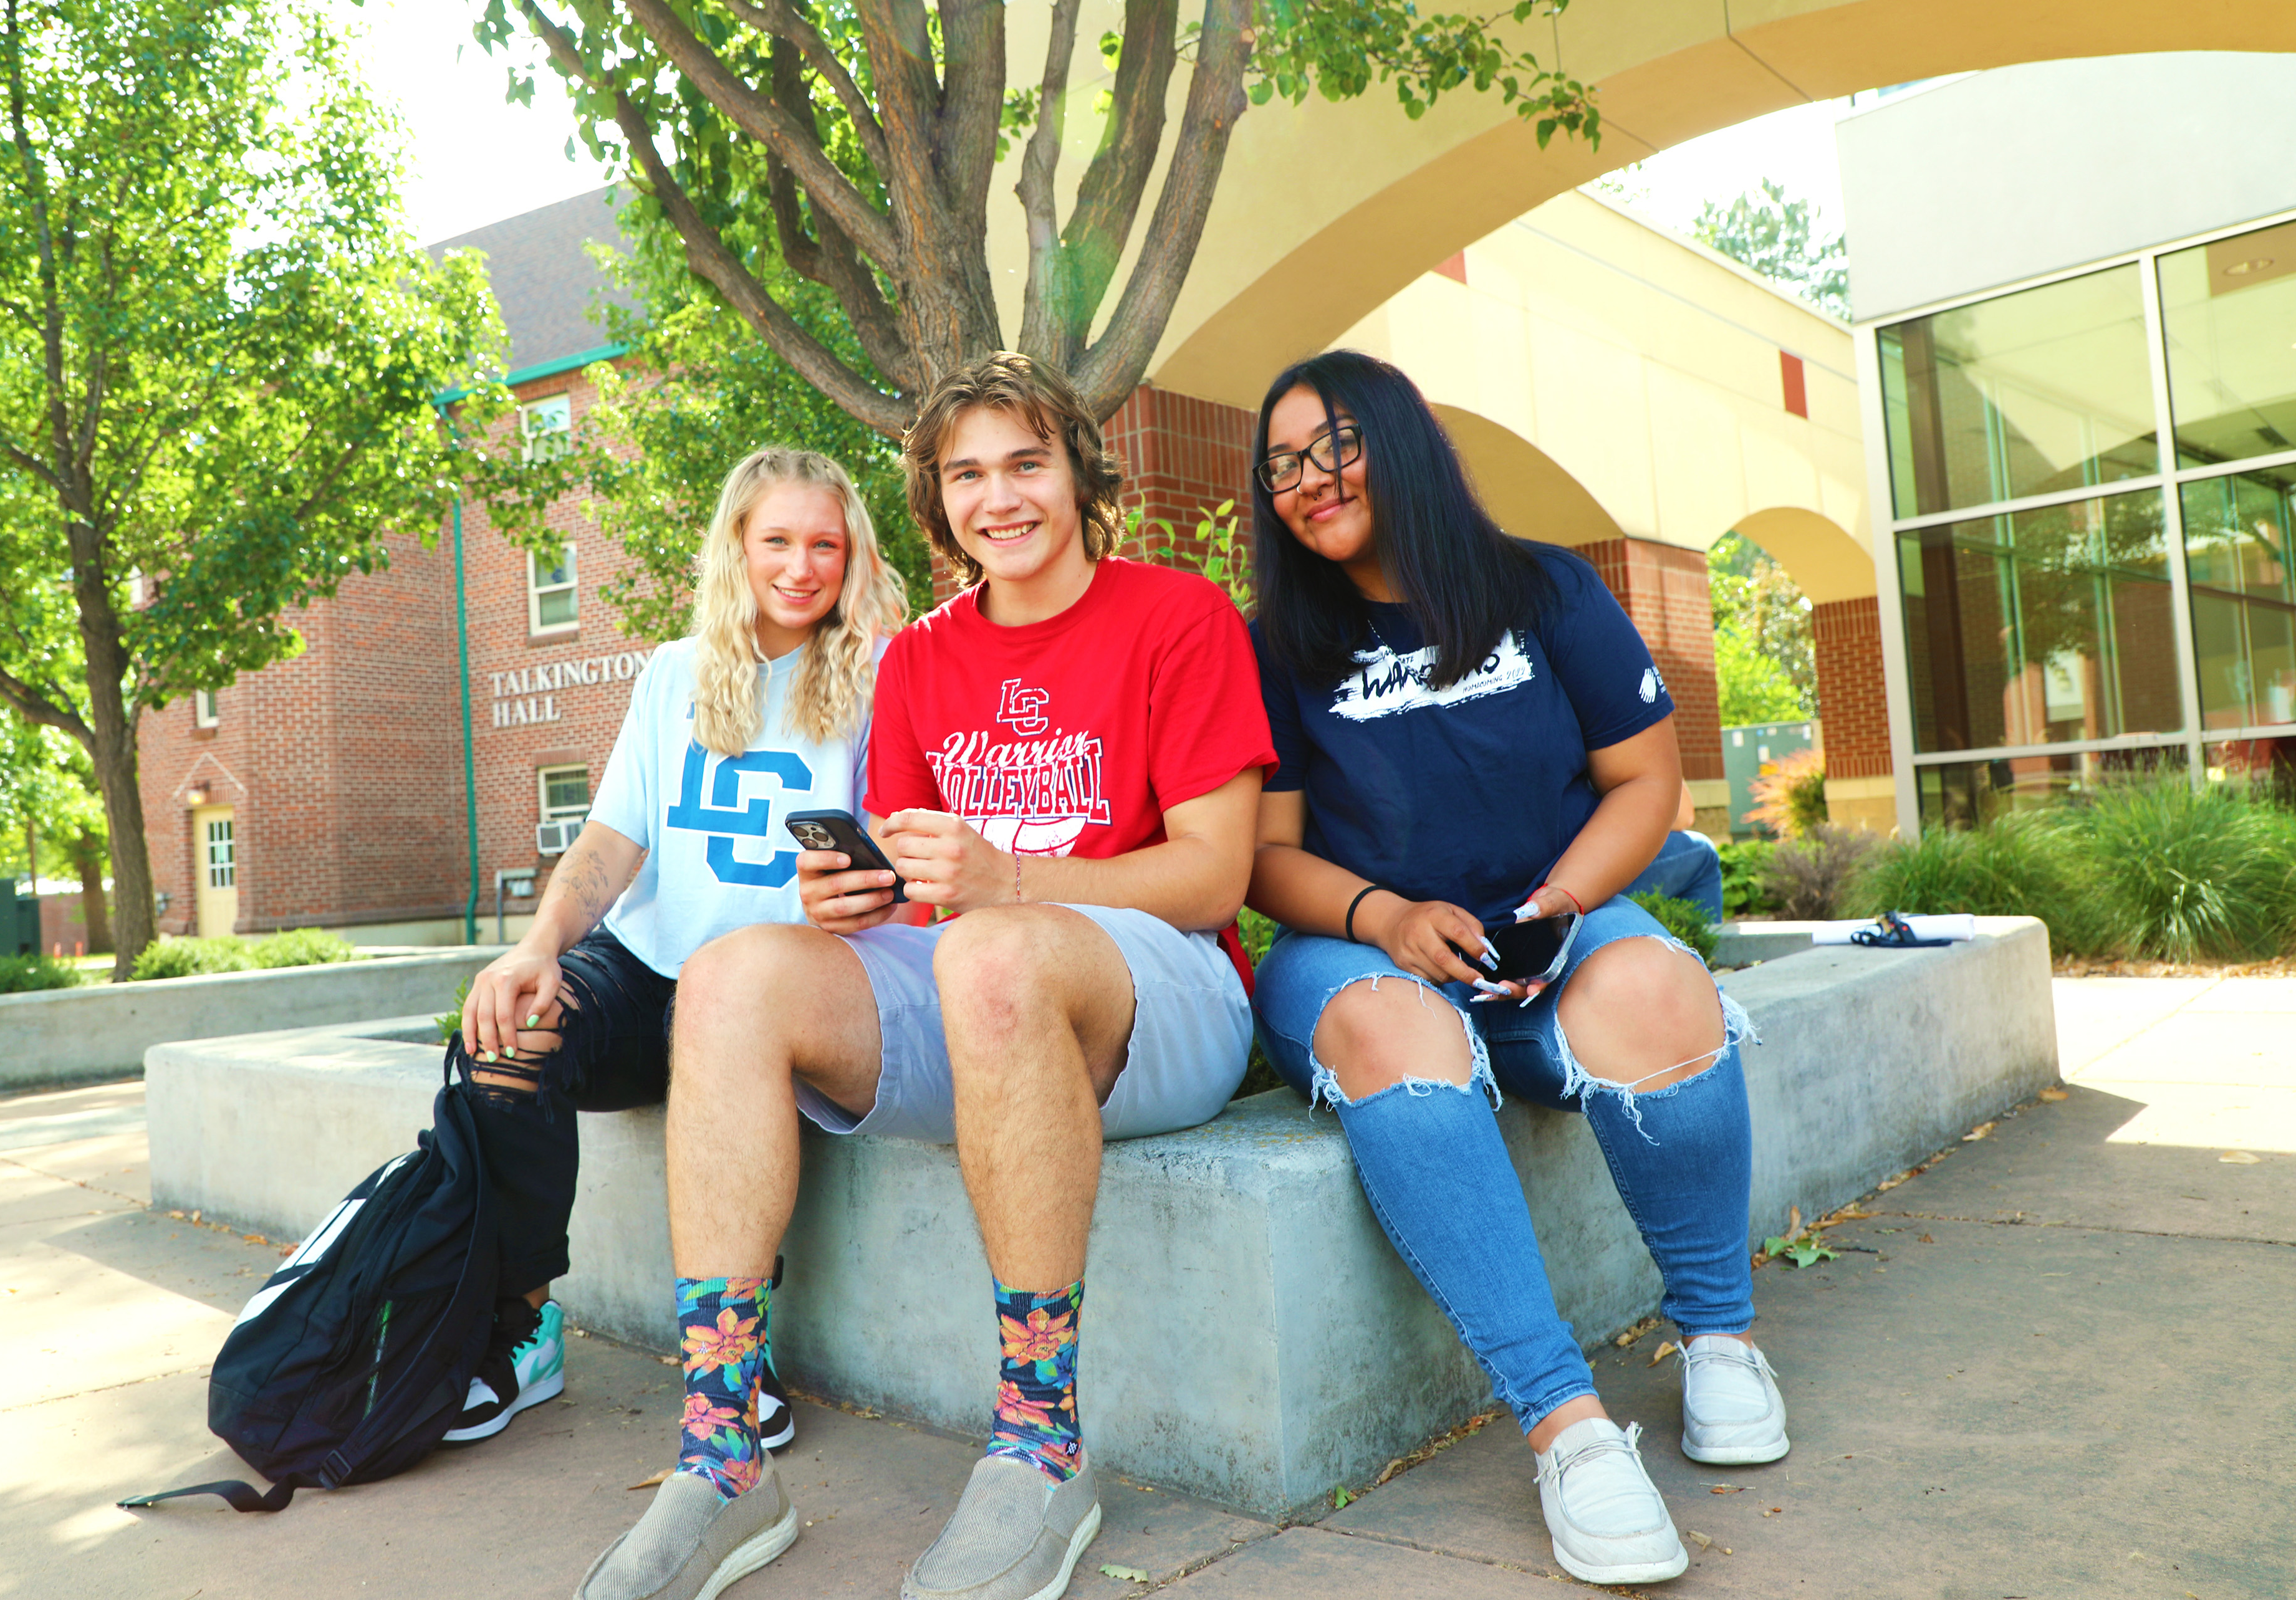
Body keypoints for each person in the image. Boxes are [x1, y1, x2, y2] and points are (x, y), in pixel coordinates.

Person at [575, 353, 1274, 1600]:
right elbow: (916, 890)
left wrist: (1009, 879)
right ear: (934, 500)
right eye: (965, 474)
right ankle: (725, 1452)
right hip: (983, 986)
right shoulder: (919, 660)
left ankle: (1039, 1441)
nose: (997, 496)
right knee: (733, 975)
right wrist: (845, 897)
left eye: (1025, 463)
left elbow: (1215, 877)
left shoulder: (1176, 618)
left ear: (1077, 471)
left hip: (1158, 995)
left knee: (993, 945)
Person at [1239, 350, 1783, 1588]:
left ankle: (1717, 1335)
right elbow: (1263, 861)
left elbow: (1646, 780)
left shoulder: (1542, 589)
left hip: (1545, 924)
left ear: (1400, 439)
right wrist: (1379, 913)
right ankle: (1566, 1425)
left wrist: (1562, 902)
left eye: (1333, 444)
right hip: (1358, 944)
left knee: (1657, 984)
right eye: (1279, 465)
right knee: (1390, 1028)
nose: (1306, 480)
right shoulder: (1271, 644)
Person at [446, 446, 906, 1450]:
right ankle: (522, 1323)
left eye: (824, 543)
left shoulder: (882, 681)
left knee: (744, 1020)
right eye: (776, 540)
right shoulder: (671, 673)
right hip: (646, 969)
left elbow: (893, 866)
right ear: (736, 548)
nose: (800, 564)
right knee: (506, 1030)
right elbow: (612, 842)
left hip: (771, 988)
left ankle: (738, 1351)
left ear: (853, 555)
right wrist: (537, 948)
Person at [1628, 785, 1726, 923]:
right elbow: (1682, 817)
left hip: (1594, 868)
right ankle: (1698, 940)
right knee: (1704, 854)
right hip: (1603, 872)